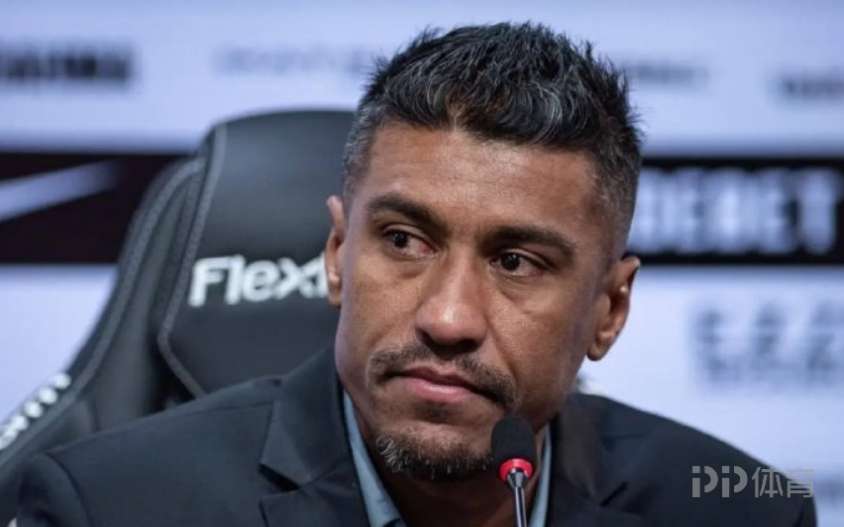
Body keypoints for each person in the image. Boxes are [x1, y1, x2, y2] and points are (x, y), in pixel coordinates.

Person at [17, 22, 815, 527]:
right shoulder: (111, 505)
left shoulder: (738, 512)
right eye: (404, 240)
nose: (448, 316)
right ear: (338, 254)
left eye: (516, 261)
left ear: (609, 309)